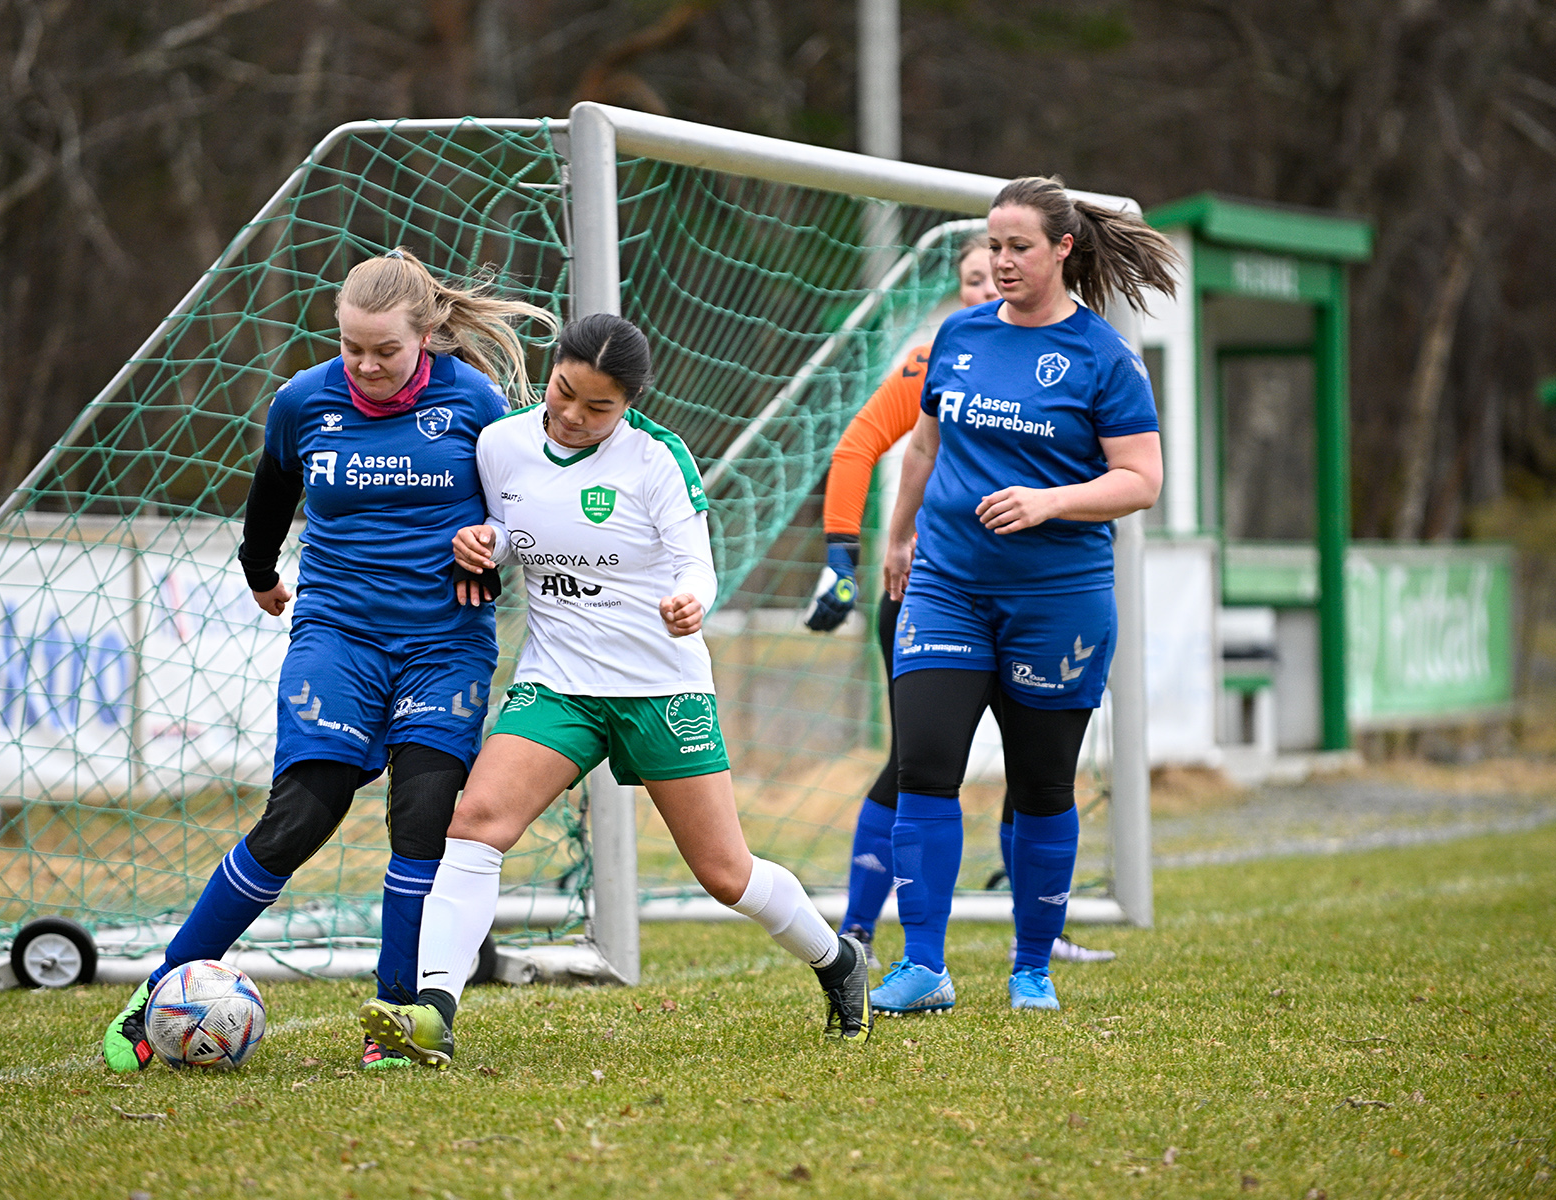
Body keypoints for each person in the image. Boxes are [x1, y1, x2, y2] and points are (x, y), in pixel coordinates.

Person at [357, 313, 873, 1066]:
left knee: (725, 873)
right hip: (559, 682)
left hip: (660, 686)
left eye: (598, 407)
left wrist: (692, 601)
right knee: (475, 823)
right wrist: (485, 543)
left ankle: (838, 959)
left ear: (629, 405)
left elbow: (694, 564)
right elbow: (512, 530)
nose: (573, 415)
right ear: (552, 371)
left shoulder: (657, 458)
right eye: (564, 392)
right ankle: (433, 1011)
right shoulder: (500, 444)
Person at [101, 247, 555, 1072]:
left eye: (386, 350)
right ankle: (159, 989)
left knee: (423, 819)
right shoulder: (303, 401)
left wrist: (488, 547)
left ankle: (399, 1019)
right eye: (352, 347)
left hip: (445, 643)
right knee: (303, 813)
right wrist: (260, 573)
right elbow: (272, 490)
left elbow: (519, 513)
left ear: (426, 336)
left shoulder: (474, 401)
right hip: (338, 633)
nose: (367, 365)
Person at [868, 177, 1177, 1015]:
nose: (1002, 262)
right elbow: (924, 447)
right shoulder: (959, 334)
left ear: (1062, 249)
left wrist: (1051, 502)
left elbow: (1141, 480)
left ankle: (1032, 969)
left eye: (1019, 248)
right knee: (925, 764)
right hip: (948, 585)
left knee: (1041, 785)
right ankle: (923, 966)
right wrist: (899, 538)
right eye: (994, 246)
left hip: (1056, 600)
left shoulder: (1104, 357)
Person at [806, 235, 1116, 972]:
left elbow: (1129, 470)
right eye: (972, 279)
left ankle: (1035, 937)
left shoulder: (1081, 358)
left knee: (1035, 769)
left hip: (1038, 598)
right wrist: (852, 551)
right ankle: (861, 931)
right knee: (916, 762)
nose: (985, 289)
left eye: (996, 273)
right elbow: (859, 448)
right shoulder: (938, 355)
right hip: (932, 589)